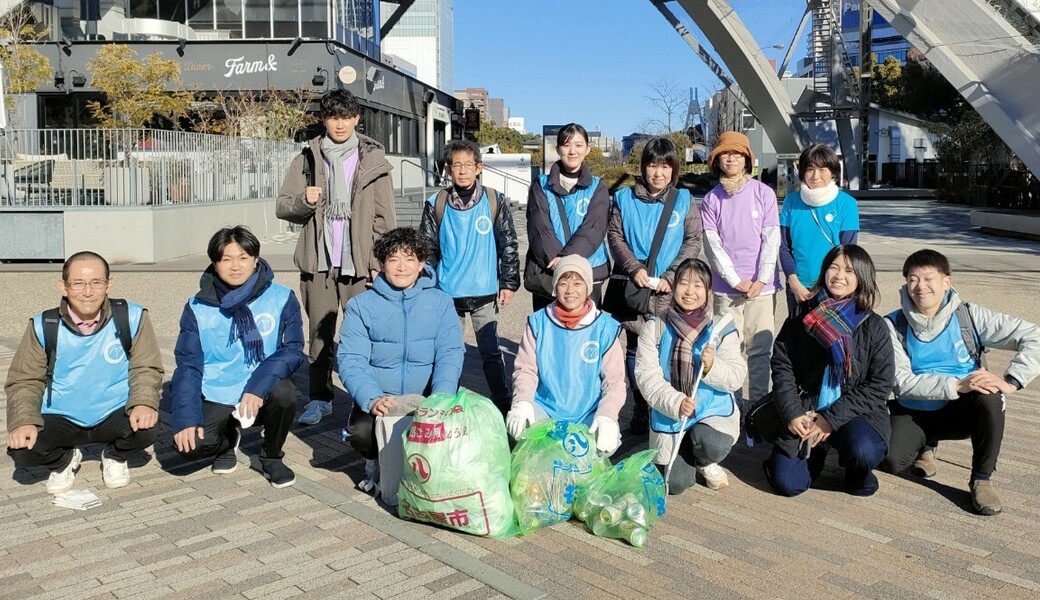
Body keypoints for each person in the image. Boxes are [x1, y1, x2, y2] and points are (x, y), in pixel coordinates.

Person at [878, 249, 1040, 515]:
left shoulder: (969, 316)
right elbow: (903, 383)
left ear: (946, 282)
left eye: (929, 278)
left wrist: (1012, 381)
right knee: (891, 461)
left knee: (989, 393)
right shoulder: (892, 324)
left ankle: (981, 479)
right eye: (913, 279)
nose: (920, 286)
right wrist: (955, 385)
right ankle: (926, 445)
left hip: (961, 410)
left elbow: (1034, 335)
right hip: (914, 408)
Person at [275, 89, 396, 426]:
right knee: (319, 334)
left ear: (356, 118)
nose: (340, 123)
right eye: (333, 116)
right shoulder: (307, 158)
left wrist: (379, 265)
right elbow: (283, 205)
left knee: (365, 334)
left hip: (360, 264)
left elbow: (385, 219)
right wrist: (304, 199)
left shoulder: (373, 159)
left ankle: (368, 398)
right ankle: (320, 398)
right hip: (319, 262)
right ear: (323, 119)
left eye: (346, 116)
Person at [5, 252, 164, 493]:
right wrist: (24, 421)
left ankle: (114, 456)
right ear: (64, 287)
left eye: (96, 282)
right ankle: (64, 460)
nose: (87, 291)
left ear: (109, 284)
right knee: (21, 448)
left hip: (114, 410)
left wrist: (143, 403)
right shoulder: (43, 325)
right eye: (78, 283)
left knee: (148, 427)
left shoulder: (130, 316)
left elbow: (146, 366)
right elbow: (25, 380)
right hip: (60, 415)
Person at [170, 227, 305, 488]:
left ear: (256, 260)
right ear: (214, 263)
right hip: (217, 389)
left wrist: (257, 388)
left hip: (262, 386)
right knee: (189, 447)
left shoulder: (281, 297)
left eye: (243, 257)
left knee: (286, 394)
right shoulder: (197, 307)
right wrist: (186, 419)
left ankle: (271, 456)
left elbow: (292, 349)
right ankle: (226, 442)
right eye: (226, 259)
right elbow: (188, 365)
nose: (235, 266)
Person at [765, 244, 894, 497]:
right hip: (807, 408)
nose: (839, 276)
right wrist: (792, 413)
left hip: (856, 414)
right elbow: (782, 364)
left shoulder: (874, 325)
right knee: (787, 483)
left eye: (849, 270)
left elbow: (880, 384)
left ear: (862, 277)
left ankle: (858, 471)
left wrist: (830, 420)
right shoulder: (801, 315)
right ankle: (817, 452)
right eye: (833, 268)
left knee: (863, 451)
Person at [338, 227, 465, 480]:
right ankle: (374, 460)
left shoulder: (440, 302)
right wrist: (372, 398)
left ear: (421, 264)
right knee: (359, 432)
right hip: (382, 398)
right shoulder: (361, 306)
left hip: (426, 396)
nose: (401, 267)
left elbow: (450, 353)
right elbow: (351, 359)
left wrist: (441, 396)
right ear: (382, 265)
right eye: (393, 259)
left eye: (410, 259)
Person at [606, 136, 702, 433]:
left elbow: (693, 240)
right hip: (635, 292)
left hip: (669, 292)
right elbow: (615, 236)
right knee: (635, 350)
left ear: (674, 169)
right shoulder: (624, 198)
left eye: (665, 166)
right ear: (643, 167)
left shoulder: (684, 201)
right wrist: (633, 267)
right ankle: (640, 407)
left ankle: (666, 407)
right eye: (652, 165)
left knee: (668, 351)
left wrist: (672, 276)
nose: (658, 173)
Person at [419, 140, 520, 415]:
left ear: (479, 168)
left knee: (490, 352)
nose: (462, 171)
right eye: (456, 165)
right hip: (447, 292)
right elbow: (427, 249)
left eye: (467, 165)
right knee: (449, 353)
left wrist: (508, 282)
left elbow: (508, 243)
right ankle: (445, 403)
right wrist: (428, 286)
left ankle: (502, 403)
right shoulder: (436, 203)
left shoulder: (493, 200)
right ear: (448, 169)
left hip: (484, 291)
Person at [634, 259, 746, 493]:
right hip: (672, 411)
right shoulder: (655, 327)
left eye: (697, 286)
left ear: (708, 291)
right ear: (673, 288)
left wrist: (712, 366)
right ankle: (685, 451)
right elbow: (647, 377)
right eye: (683, 284)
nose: (689, 292)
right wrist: (676, 402)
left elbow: (736, 376)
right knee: (675, 485)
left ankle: (705, 461)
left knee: (712, 444)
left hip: (710, 409)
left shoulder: (721, 328)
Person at [507, 255, 626, 456]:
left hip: (586, 412)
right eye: (563, 283)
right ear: (555, 287)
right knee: (519, 429)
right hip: (546, 408)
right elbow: (525, 369)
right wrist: (522, 402)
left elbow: (614, 382)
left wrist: (607, 415)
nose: (570, 290)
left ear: (588, 287)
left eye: (578, 283)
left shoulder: (604, 328)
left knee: (604, 443)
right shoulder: (539, 322)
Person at [701, 131, 781, 408]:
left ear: (747, 159)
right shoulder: (711, 200)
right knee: (728, 350)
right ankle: (730, 407)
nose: (731, 157)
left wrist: (761, 279)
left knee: (760, 351)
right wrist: (735, 281)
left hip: (763, 288)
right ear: (717, 160)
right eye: (725, 153)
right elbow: (712, 245)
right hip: (726, 290)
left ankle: (758, 407)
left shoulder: (764, 193)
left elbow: (771, 238)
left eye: (737, 153)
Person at [524, 123, 610, 310]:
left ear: (587, 149)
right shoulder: (541, 185)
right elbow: (539, 227)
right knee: (548, 331)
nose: (572, 151)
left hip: (589, 271)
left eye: (578, 145)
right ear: (558, 149)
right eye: (566, 145)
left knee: (586, 334)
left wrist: (567, 260)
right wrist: (557, 261)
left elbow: (593, 229)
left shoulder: (598, 187)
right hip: (550, 270)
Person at [778, 143, 860, 315]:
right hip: (798, 286)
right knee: (798, 338)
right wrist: (794, 283)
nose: (815, 175)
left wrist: (825, 286)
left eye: (823, 169)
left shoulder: (846, 203)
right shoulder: (791, 202)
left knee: (831, 339)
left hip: (834, 286)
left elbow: (847, 250)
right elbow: (784, 246)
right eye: (810, 169)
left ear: (833, 172)